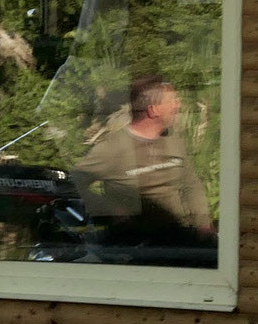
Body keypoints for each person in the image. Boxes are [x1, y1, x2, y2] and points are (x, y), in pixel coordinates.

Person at [71, 74, 216, 258]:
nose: (177, 105)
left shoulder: (173, 141)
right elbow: (74, 182)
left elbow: (191, 184)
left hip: (178, 237)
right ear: (153, 109)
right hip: (134, 246)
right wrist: (109, 210)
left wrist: (202, 223)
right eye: (172, 101)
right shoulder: (112, 148)